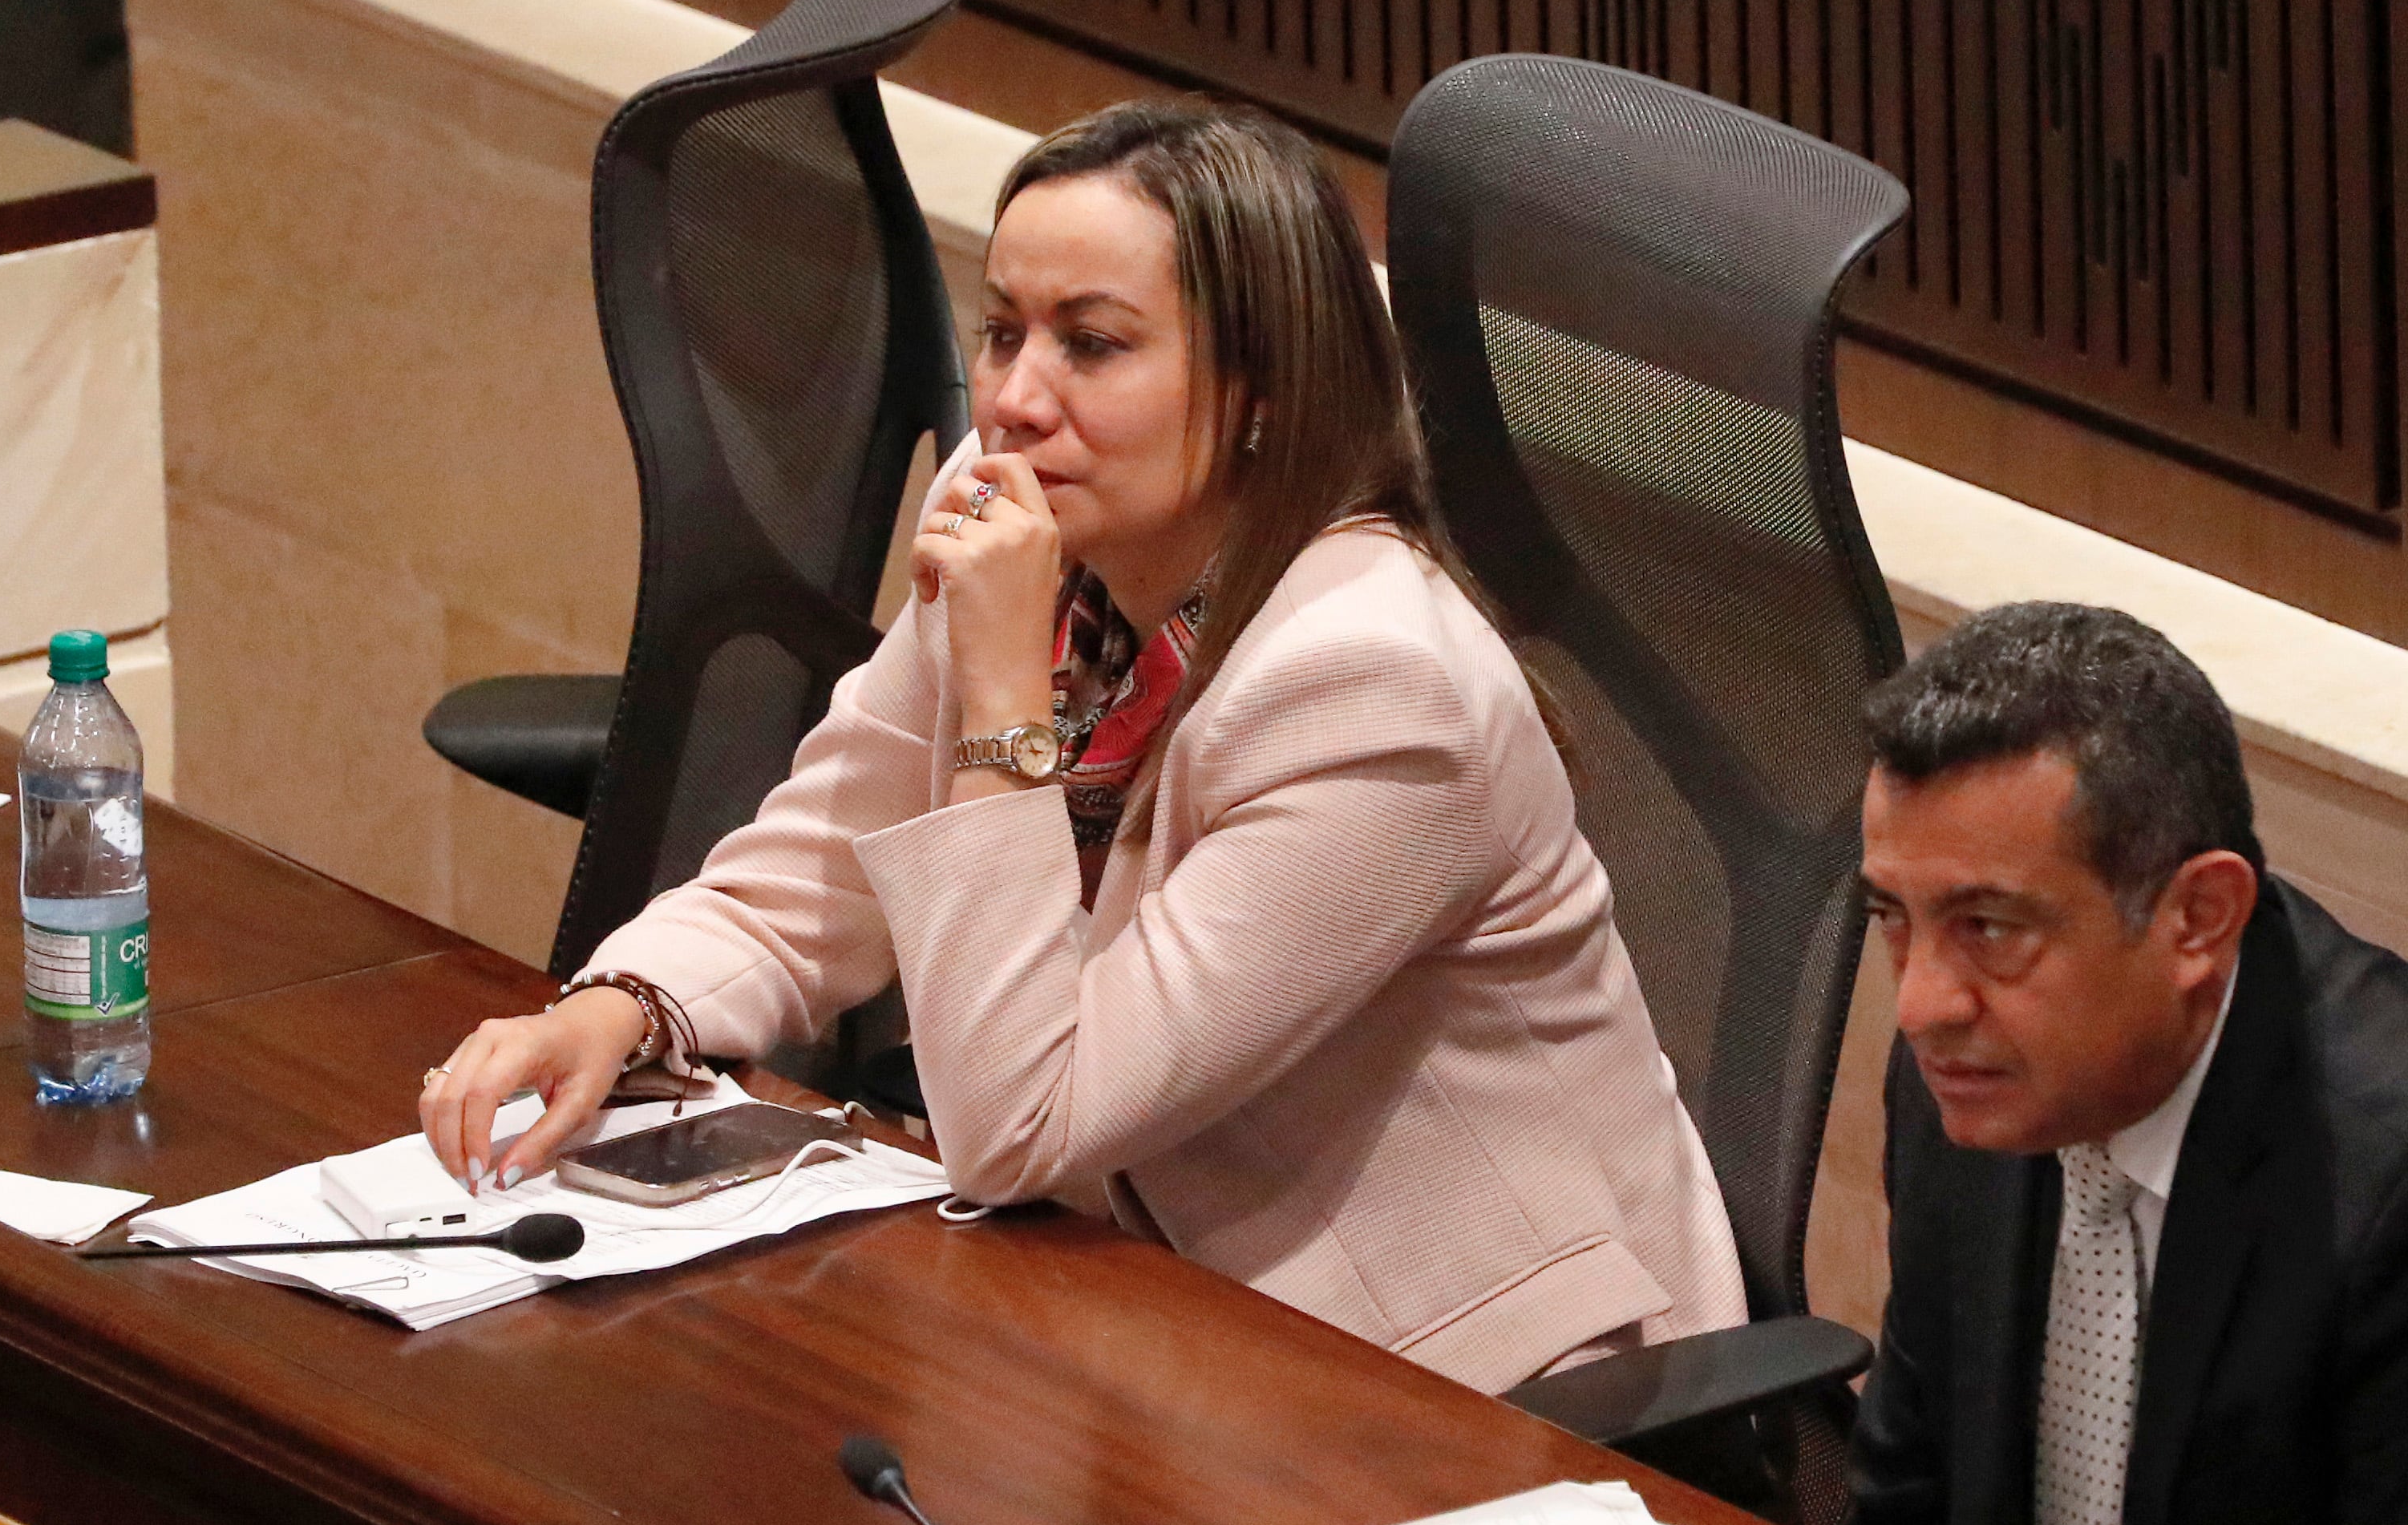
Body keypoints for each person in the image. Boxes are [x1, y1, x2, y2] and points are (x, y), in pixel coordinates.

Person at [419, 100, 1745, 1391]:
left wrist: (1000, 699)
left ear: (1266, 391)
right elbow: (818, 871)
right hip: (1151, 1302)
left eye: (1092, 345)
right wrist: (627, 998)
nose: (1012, 399)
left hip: (1469, 1379)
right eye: (1001, 332)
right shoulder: (1026, 537)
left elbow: (1016, 1120)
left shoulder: (1375, 687)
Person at [1842, 603, 2408, 1525]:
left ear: (2196, 917)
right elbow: (1904, 1511)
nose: (1922, 1004)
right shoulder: (1962, 1074)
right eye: (1894, 915)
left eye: (1987, 925)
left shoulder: (2384, 1178)